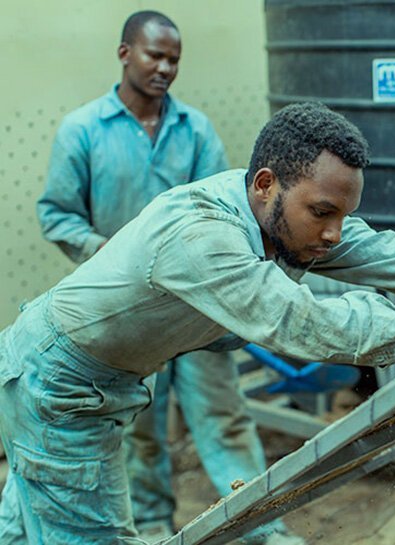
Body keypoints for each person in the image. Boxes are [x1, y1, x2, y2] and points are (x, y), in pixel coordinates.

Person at [0, 101, 395, 544]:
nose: (334, 234)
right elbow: (302, 322)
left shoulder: (286, 216)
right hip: (60, 386)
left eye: (343, 216)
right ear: (265, 183)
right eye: (322, 213)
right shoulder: (202, 235)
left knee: (22, 531)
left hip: (105, 377)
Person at [32, 11, 300, 544]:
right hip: (128, 313)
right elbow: (57, 214)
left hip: (198, 309)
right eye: (154, 55)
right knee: (141, 430)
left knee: (224, 415)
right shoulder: (84, 131)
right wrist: (103, 249)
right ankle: (153, 524)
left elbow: (228, 214)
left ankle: (260, 526)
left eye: (174, 59)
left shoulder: (195, 130)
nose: (165, 68)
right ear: (124, 53)